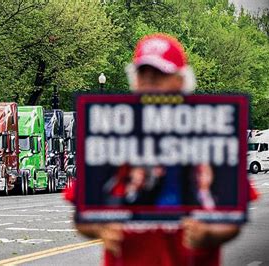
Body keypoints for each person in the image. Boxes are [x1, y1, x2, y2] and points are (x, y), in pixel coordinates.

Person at [67, 33, 259, 266]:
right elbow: (82, 217)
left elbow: (233, 219)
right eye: (143, 75)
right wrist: (100, 229)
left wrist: (209, 234)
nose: (149, 82)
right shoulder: (113, 137)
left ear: (181, 81)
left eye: (159, 75)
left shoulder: (211, 134)